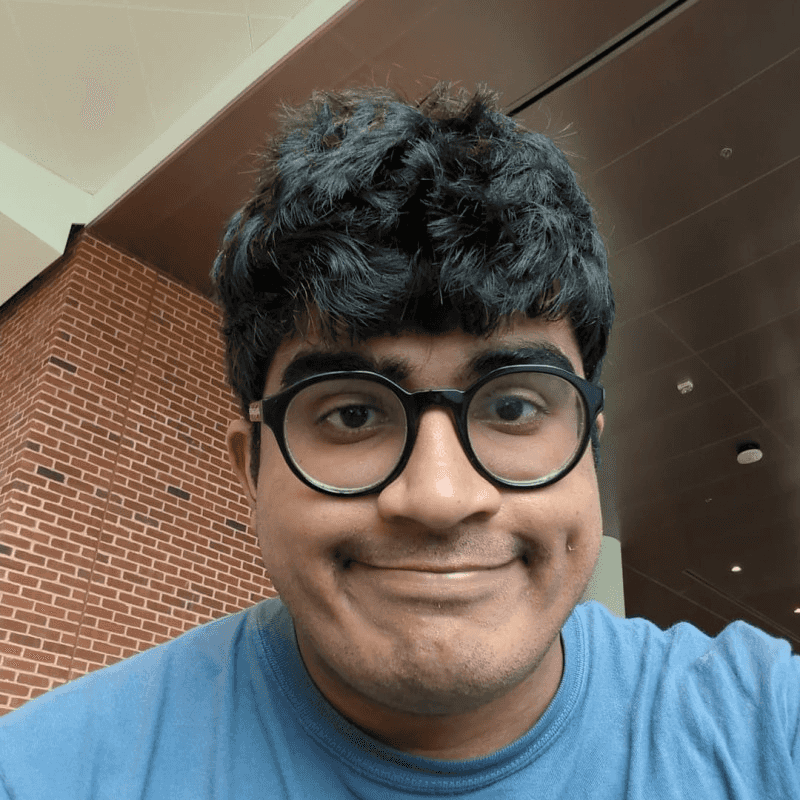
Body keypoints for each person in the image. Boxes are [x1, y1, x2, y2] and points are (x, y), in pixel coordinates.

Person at [1, 83, 798, 798]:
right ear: (251, 472)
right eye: (351, 413)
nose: (440, 498)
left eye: (514, 408)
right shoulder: (46, 773)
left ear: (589, 450)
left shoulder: (767, 729)